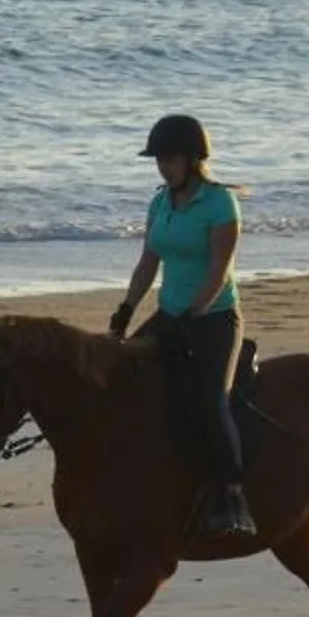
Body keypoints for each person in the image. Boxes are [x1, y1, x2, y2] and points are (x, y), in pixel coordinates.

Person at [108, 114, 253, 539]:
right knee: (120, 378)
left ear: (192, 160)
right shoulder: (159, 204)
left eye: (169, 159)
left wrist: (193, 312)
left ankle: (233, 497)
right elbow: (148, 263)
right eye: (158, 160)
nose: (163, 167)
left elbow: (218, 271)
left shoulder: (220, 205)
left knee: (211, 401)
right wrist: (126, 309)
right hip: (171, 315)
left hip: (214, 318)